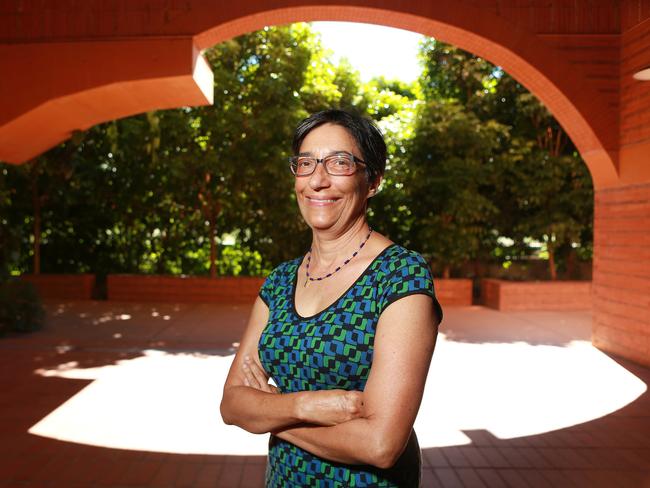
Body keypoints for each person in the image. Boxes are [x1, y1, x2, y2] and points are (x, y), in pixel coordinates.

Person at [220, 109, 443, 487]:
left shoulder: (400, 276)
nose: (318, 181)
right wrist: (308, 406)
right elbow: (231, 404)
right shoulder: (280, 281)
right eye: (306, 164)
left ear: (372, 181)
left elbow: (380, 444)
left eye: (339, 163)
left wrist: (270, 412)